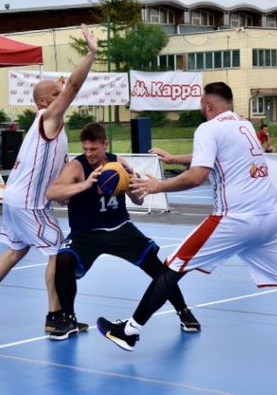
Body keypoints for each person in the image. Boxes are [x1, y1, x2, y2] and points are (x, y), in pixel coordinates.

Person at [97, 82, 277, 356]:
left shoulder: (208, 128)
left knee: (172, 268)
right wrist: (174, 158)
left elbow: (198, 176)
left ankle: (129, 331)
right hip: (269, 220)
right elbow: (216, 157)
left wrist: (158, 186)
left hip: (234, 218)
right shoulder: (244, 126)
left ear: (208, 105)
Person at [0, 24, 98, 331]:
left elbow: (60, 170)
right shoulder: (47, 118)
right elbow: (74, 88)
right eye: (56, 94)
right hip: (29, 203)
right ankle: (56, 317)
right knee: (58, 252)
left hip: (16, 199)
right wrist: (91, 53)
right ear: (42, 103)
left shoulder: (57, 127)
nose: (63, 96)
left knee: (16, 250)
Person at [44, 123, 200, 340]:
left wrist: (133, 187)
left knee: (157, 266)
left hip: (120, 229)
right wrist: (85, 184)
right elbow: (52, 192)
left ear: (105, 145)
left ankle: (184, 311)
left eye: (94, 150)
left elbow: (138, 199)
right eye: (86, 149)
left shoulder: (118, 163)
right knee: (63, 262)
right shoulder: (77, 167)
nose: (89, 154)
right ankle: (68, 319)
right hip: (86, 233)